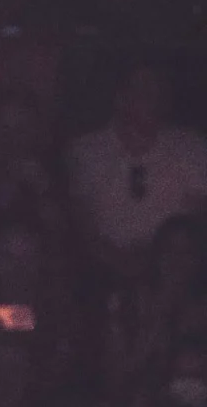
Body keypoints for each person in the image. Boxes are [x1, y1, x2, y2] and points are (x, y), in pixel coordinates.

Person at [67, 59, 207, 286]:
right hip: (101, 272)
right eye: (144, 88)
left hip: (174, 276)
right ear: (120, 97)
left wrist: (158, 261)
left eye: (159, 88)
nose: (154, 97)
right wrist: (118, 261)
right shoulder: (87, 151)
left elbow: (198, 217)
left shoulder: (191, 148)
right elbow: (82, 224)